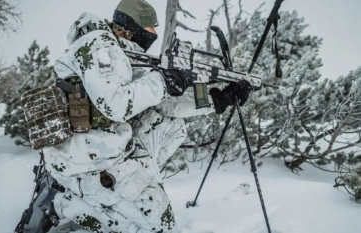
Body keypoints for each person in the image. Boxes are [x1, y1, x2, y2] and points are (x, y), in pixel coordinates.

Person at [22, 0, 252, 232]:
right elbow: (116, 105)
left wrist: (218, 99)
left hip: (103, 146)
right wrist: (165, 79)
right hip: (85, 160)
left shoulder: (124, 55)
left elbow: (166, 105)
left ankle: (132, 186)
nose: (153, 34)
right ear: (131, 27)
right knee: (159, 226)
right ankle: (64, 203)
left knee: (173, 126)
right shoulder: (99, 44)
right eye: (150, 28)